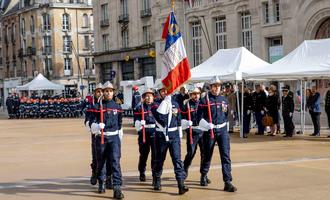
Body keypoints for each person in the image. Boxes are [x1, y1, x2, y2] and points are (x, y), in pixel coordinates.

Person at [198, 76, 237, 192]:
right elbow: (198, 117)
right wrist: (205, 124)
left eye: (218, 86)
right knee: (207, 154)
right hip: (209, 131)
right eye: (214, 86)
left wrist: (225, 126)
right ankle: (204, 174)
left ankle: (227, 181)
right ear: (210, 87)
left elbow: (226, 115)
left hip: (222, 130)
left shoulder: (224, 100)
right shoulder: (205, 100)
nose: (216, 88)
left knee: (225, 156)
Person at [151, 85, 189, 195]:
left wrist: (180, 131)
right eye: (162, 91)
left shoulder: (175, 103)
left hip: (174, 136)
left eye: (166, 90)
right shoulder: (155, 105)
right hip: (161, 136)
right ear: (159, 92)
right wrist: (165, 103)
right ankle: (157, 179)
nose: (165, 92)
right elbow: (160, 118)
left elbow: (178, 118)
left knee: (177, 161)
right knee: (159, 160)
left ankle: (181, 184)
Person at [90, 81, 124, 199]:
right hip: (101, 137)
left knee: (115, 161)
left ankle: (117, 187)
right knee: (101, 162)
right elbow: (91, 123)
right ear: (103, 93)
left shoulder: (118, 107)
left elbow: (120, 123)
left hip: (114, 138)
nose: (108, 93)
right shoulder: (96, 107)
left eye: (110, 91)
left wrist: (119, 134)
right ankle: (101, 182)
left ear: (113, 92)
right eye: (106, 91)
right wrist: (97, 126)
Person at [181, 87, 207, 181]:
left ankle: (204, 175)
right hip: (193, 132)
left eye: (197, 94)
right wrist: (186, 124)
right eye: (194, 94)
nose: (196, 96)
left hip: (203, 132)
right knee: (191, 153)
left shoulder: (203, 104)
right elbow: (182, 118)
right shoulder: (186, 105)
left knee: (205, 154)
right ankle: (185, 169)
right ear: (191, 94)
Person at [134, 88, 157, 182]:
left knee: (155, 155)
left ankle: (155, 174)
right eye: (146, 96)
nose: (148, 98)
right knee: (143, 154)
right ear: (143, 97)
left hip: (155, 133)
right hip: (143, 132)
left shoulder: (157, 107)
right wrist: (140, 123)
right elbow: (136, 121)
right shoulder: (139, 108)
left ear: (153, 97)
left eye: (150, 96)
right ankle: (142, 172)